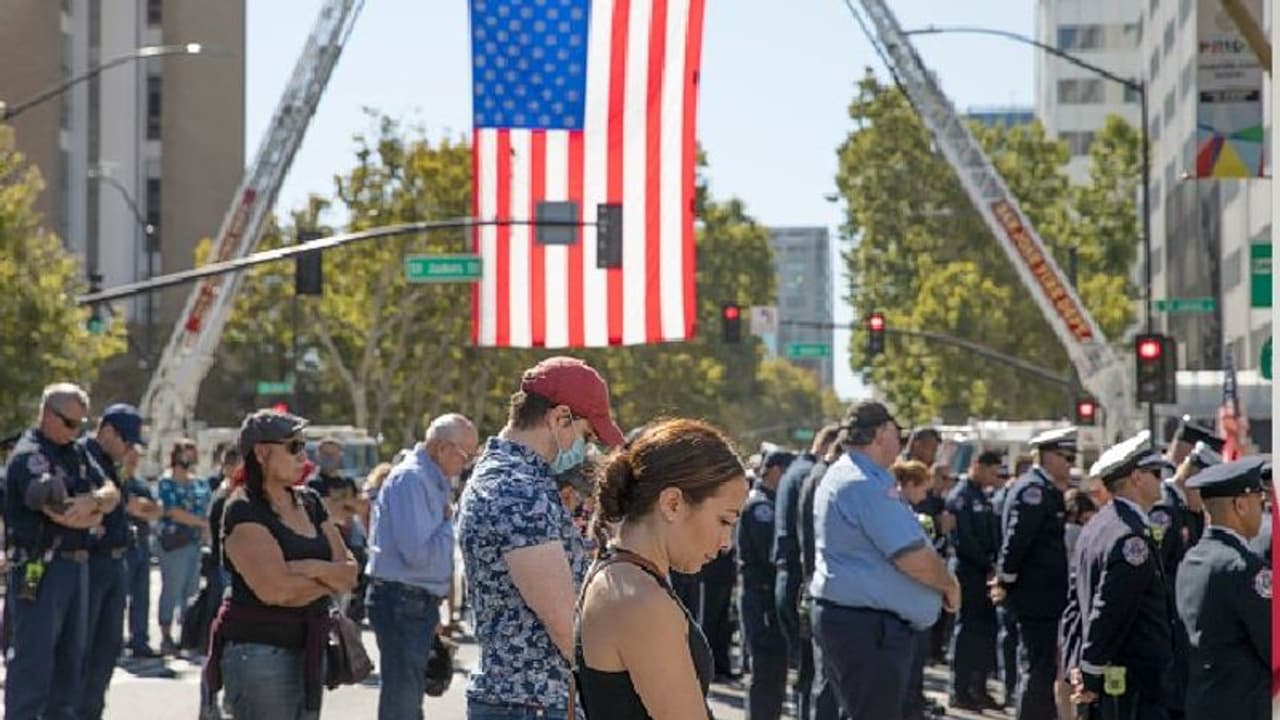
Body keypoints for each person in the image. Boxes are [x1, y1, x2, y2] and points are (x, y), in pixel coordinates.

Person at [457, 356, 624, 720]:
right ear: (560, 417)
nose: (587, 447)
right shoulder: (518, 489)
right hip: (532, 703)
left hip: (523, 699)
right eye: (586, 435)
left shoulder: (508, 477)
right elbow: (563, 620)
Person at [575, 419, 747, 719]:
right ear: (672, 503)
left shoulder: (620, 575)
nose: (725, 542)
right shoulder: (639, 599)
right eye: (724, 521)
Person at [203, 408, 358, 719]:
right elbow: (276, 591)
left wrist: (310, 568)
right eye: (294, 447)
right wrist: (329, 578)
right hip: (260, 655)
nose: (304, 457)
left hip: (310, 650)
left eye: (304, 446)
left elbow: (351, 573)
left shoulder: (311, 501)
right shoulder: (241, 508)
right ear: (261, 453)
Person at [810, 401, 959, 720]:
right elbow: (912, 557)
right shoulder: (862, 482)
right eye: (897, 432)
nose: (900, 441)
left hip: (863, 625)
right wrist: (948, 585)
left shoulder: (863, 476)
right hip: (867, 628)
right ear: (880, 433)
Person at [4, 383, 118, 720]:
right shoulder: (30, 455)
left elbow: (111, 491)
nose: (76, 431)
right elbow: (60, 513)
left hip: (76, 568)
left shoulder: (77, 452)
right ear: (46, 414)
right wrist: (93, 514)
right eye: (69, 423)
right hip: (39, 567)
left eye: (81, 424)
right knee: (34, 659)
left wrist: (95, 502)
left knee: (71, 662)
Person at [366, 413, 479, 720]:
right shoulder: (413, 479)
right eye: (464, 454)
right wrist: (449, 521)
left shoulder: (431, 479)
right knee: (403, 696)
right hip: (403, 599)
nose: (466, 463)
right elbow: (417, 553)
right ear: (440, 447)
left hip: (414, 599)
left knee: (408, 693)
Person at [1064, 432, 1175, 719]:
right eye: (1155, 473)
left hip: (1110, 673)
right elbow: (1109, 609)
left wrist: (1077, 663)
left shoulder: (1098, 525)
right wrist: (1089, 671)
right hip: (1130, 679)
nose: (1161, 480)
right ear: (1137, 477)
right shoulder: (1129, 538)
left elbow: (1075, 607)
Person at [1176, 455, 1271, 720]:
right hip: (1242, 706)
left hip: (1202, 701)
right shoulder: (1245, 567)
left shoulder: (1191, 559)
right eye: (1259, 503)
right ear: (1240, 505)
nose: (1261, 513)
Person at [993, 426, 1075, 720]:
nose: (1070, 463)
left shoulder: (1046, 488)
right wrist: (1006, 579)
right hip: (1035, 595)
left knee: (1042, 667)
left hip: (1044, 595)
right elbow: (1018, 540)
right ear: (1047, 456)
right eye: (1066, 456)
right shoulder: (1034, 491)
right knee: (1037, 669)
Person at [78, 404, 145, 720]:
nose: (130, 449)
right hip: (91, 562)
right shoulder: (82, 458)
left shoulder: (113, 464)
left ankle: (92, 711)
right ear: (106, 432)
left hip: (116, 563)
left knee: (107, 649)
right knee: (82, 649)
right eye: (127, 442)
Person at [774, 424, 839, 720]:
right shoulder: (814, 476)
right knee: (811, 671)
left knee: (806, 671)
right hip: (801, 578)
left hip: (793, 576)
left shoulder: (799, 471)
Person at [736, 449, 795, 720]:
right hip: (761, 598)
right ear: (774, 471)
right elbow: (770, 554)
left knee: (774, 671)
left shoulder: (771, 503)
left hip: (767, 598)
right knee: (766, 669)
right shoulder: (761, 507)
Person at [945, 449, 1003, 711]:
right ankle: (960, 689)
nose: (995, 477)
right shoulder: (961, 497)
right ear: (978, 466)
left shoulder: (983, 495)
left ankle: (978, 688)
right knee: (967, 632)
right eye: (992, 471)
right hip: (968, 572)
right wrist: (988, 564)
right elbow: (964, 540)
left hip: (985, 573)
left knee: (985, 632)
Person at [796, 430, 844, 720]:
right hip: (822, 586)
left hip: (816, 583)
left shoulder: (817, 476)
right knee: (826, 679)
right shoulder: (824, 479)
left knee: (819, 676)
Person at [156, 438, 212, 655]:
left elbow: (206, 507)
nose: (189, 456)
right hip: (173, 543)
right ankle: (166, 635)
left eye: (192, 452)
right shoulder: (166, 482)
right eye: (185, 452)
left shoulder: (200, 483)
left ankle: (187, 634)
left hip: (195, 543)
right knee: (172, 588)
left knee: (191, 590)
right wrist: (200, 523)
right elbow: (171, 510)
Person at [122, 444, 164, 659]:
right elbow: (131, 507)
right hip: (123, 546)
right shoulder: (117, 482)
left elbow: (156, 510)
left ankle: (140, 640)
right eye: (131, 455)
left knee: (141, 596)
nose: (134, 460)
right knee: (119, 597)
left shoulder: (140, 484)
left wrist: (144, 507)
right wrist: (142, 507)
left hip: (142, 544)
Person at [989, 465, 1019, 708]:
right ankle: (1010, 688)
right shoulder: (1007, 500)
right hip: (1008, 576)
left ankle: (1011, 688)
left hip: (1009, 575)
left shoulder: (1008, 498)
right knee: (1009, 637)